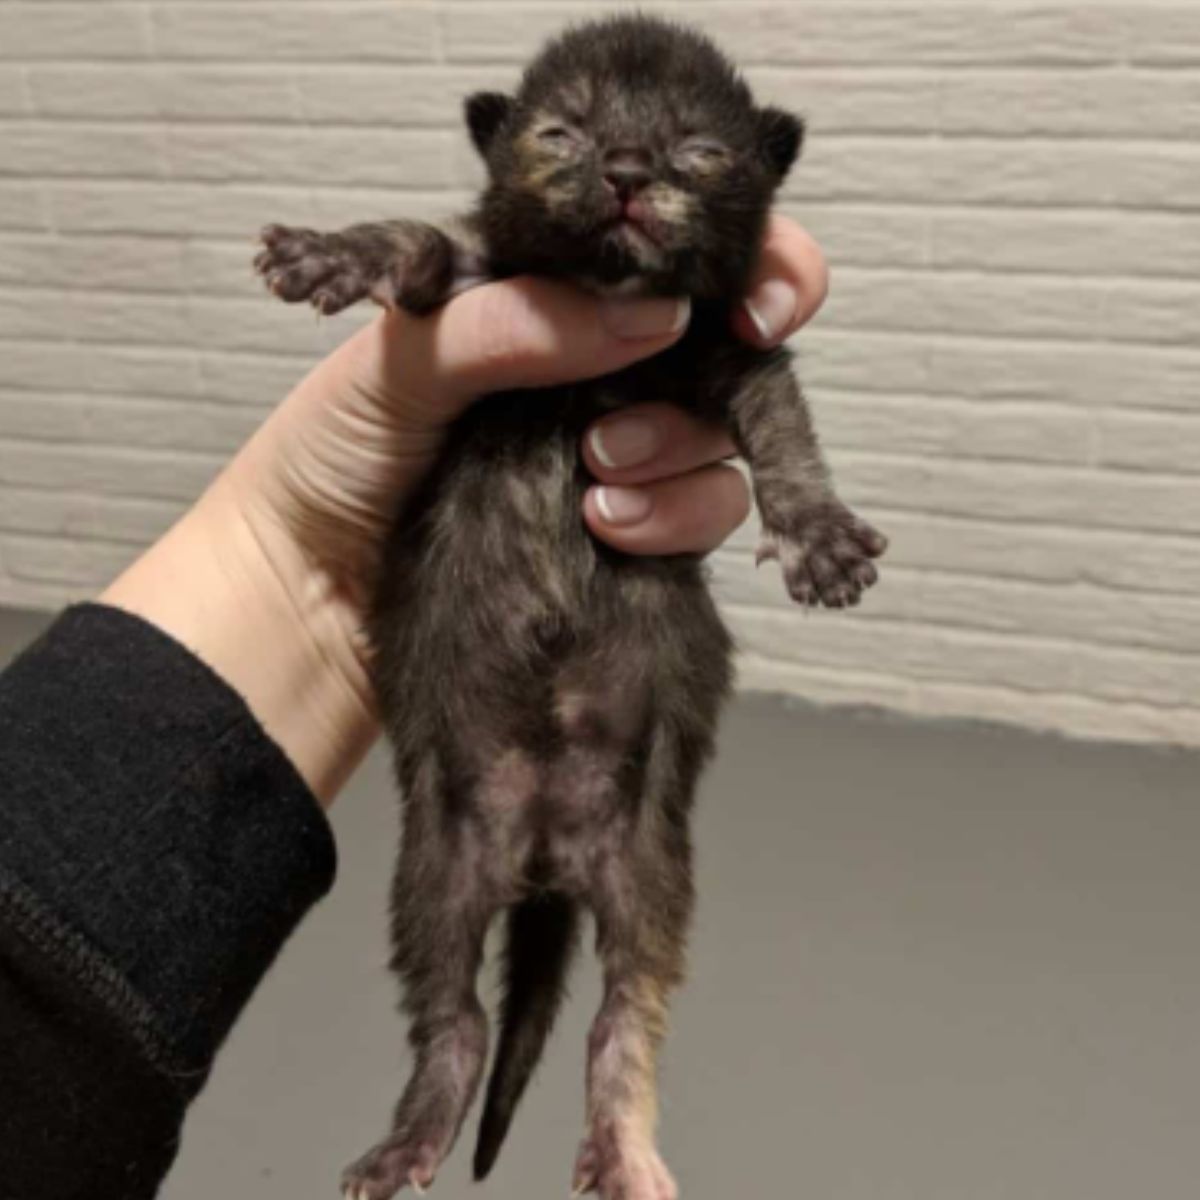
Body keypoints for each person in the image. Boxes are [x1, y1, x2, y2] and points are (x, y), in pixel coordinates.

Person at [0, 218, 827, 1197]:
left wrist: (803, 507)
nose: (624, 182)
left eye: (684, 161)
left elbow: (757, 389)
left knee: (631, 919)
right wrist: (369, 259)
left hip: (617, 715)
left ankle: (621, 1113)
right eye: (568, 138)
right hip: (476, 710)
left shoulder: (693, 322)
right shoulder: (497, 274)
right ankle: (447, 1072)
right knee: (454, 917)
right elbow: (436, 259)